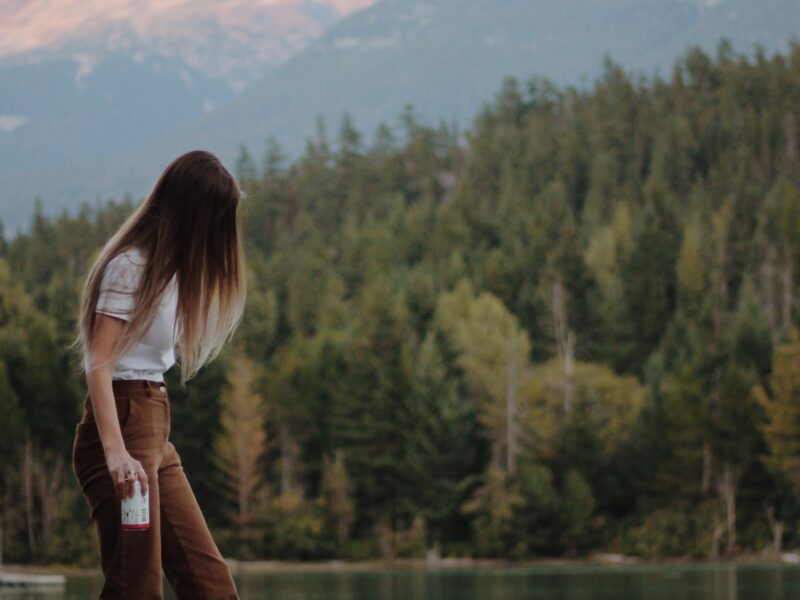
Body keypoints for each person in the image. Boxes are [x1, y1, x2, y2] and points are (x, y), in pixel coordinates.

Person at [70, 149, 246, 599]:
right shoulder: (131, 266)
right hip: (124, 425)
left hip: (153, 428)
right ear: (193, 211)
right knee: (136, 589)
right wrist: (115, 453)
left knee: (212, 587)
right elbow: (99, 361)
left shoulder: (170, 272)